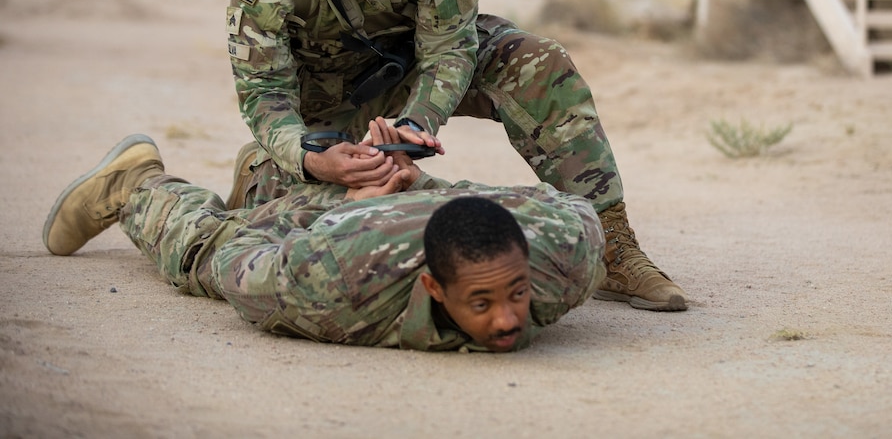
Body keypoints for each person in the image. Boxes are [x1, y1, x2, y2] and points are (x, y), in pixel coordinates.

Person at [225, 0, 687, 311]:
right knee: (309, 207)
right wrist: (309, 157)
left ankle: (615, 248)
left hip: (416, 71)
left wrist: (417, 121)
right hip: (328, 103)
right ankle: (257, 172)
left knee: (535, 61)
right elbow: (264, 93)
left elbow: (449, 47)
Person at [41, 122, 605, 352]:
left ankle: (269, 178)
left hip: (399, 198)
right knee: (202, 255)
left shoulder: (565, 255)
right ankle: (135, 183)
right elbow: (238, 266)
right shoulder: (335, 279)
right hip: (334, 232)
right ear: (433, 288)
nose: (508, 319)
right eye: (480, 303)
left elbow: (560, 204)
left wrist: (420, 180)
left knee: (345, 197)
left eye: (514, 294)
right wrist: (335, 217)